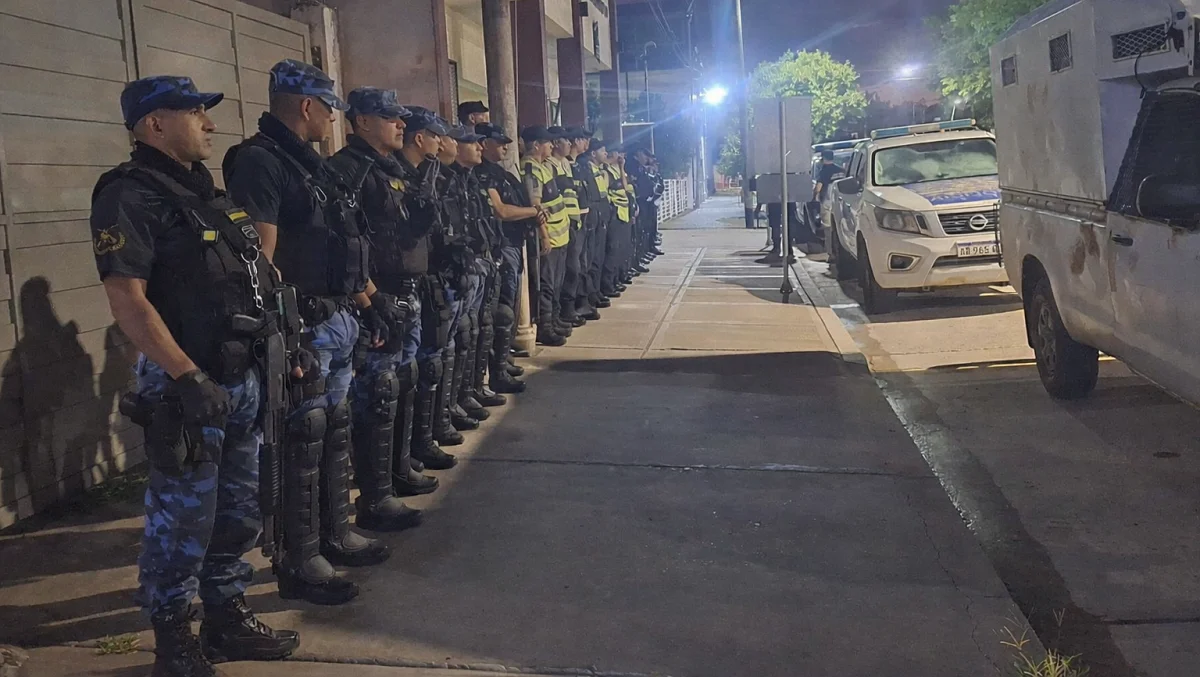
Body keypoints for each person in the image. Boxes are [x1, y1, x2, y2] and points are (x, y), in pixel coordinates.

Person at [93, 75, 302, 676]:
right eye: (195, 113)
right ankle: (174, 641)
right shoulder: (128, 196)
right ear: (154, 123)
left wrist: (286, 341)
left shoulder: (210, 196)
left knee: (237, 510)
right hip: (187, 388)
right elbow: (129, 300)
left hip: (241, 376)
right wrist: (185, 376)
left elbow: (254, 275)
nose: (209, 125)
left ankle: (225, 615)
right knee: (181, 518)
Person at [224, 59, 388, 607]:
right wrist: (280, 332)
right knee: (305, 437)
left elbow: (341, 242)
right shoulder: (259, 161)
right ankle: (300, 558)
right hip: (305, 326)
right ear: (307, 106)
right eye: (331, 108)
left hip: (339, 315)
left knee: (333, 430)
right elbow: (260, 259)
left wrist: (371, 300)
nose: (335, 118)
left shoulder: (313, 166)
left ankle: (333, 533)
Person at [327, 87, 440, 512]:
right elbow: (348, 244)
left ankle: (397, 471)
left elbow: (404, 231)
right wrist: (371, 301)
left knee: (399, 387)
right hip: (376, 296)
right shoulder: (349, 170)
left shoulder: (390, 168)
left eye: (400, 117)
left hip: (403, 293)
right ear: (362, 123)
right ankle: (375, 496)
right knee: (375, 393)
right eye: (390, 118)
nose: (401, 125)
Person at [393, 107, 461, 470]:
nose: (441, 141)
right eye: (436, 135)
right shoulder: (397, 175)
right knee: (402, 378)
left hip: (432, 277)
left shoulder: (433, 175)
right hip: (403, 286)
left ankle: (420, 442)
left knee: (430, 365)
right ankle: (403, 458)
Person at [473, 122, 540, 389]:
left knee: (509, 309)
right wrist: (533, 213)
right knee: (501, 312)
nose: (504, 147)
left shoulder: (501, 173)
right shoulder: (482, 175)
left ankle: (503, 360)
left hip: (513, 242)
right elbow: (501, 211)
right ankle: (496, 371)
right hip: (501, 247)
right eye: (499, 142)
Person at [521, 125, 571, 346]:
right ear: (536, 145)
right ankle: (545, 327)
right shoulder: (531, 169)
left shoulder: (543, 167)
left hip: (560, 234)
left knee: (556, 282)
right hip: (548, 235)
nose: (552, 145)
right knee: (547, 283)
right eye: (548, 142)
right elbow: (535, 207)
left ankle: (555, 319)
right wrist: (543, 236)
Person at [545, 126, 585, 328]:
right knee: (566, 271)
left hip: (569, 221)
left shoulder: (565, 164)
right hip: (557, 227)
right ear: (554, 144)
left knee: (571, 270)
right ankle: (562, 312)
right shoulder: (549, 165)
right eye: (565, 141)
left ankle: (561, 313)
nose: (570, 144)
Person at [567, 128, 603, 322]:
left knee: (583, 263)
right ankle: (574, 305)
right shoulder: (570, 165)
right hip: (573, 223)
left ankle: (583, 300)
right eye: (584, 140)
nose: (587, 144)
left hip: (585, 219)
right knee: (575, 266)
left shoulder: (580, 164)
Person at [601, 147, 634, 297]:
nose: (620, 156)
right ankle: (608, 284)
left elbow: (625, 187)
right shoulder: (605, 170)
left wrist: (621, 167)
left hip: (623, 213)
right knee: (612, 250)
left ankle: (615, 280)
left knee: (620, 249)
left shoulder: (616, 169)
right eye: (618, 153)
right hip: (614, 214)